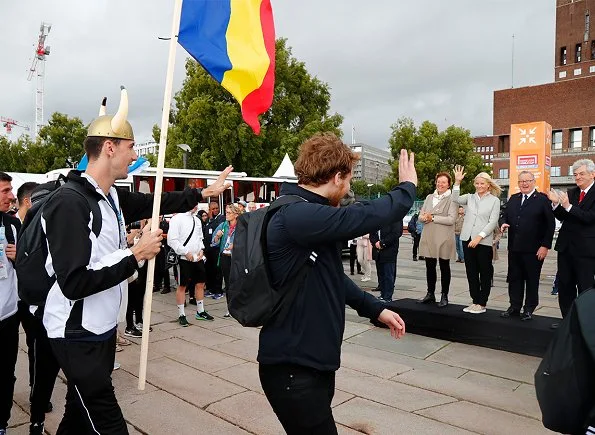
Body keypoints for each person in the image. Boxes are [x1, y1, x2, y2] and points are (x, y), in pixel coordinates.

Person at [39, 88, 232, 434]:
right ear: (110, 147)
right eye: (130, 147)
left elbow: (156, 202)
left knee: (78, 416)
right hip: (74, 332)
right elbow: (73, 282)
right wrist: (135, 254)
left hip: (99, 328)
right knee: (108, 422)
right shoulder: (69, 202)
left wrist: (202, 193)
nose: (133, 155)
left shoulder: (111, 194)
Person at [258, 133, 416, 434]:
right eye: (349, 181)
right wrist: (405, 190)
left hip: (308, 365)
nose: (347, 189)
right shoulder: (296, 214)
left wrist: (375, 308)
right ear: (337, 176)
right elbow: (361, 216)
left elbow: (330, 276)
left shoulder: (307, 214)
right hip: (294, 369)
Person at [499, 171, 555, 321]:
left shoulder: (542, 200)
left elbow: (550, 225)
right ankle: (514, 306)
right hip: (514, 248)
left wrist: (545, 246)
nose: (524, 184)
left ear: (533, 182)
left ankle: (529, 308)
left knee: (531, 279)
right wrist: (502, 222)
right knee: (514, 278)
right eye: (521, 181)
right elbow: (504, 213)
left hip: (534, 250)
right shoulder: (513, 198)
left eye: (527, 181)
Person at [547, 158, 595, 320]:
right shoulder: (572, 192)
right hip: (566, 248)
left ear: (592, 174)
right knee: (565, 286)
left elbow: (589, 218)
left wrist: (567, 206)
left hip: (586, 250)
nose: (578, 177)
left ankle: (585, 324)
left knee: (585, 287)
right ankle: (567, 322)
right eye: (575, 174)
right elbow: (564, 217)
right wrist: (555, 206)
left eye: (582, 174)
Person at [452, 165, 501, 314]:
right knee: (471, 272)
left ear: (488, 185)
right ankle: (475, 301)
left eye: (482, 183)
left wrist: (479, 236)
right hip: (467, 238)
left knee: (484, 272)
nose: (479, 186)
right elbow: (455, 199)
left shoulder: (494, 200)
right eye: (477, 183)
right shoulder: (469, 197)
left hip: (483, 241)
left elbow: (492, 222)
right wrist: (457, 182)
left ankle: (482, 303)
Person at [417, 172, 457, 308]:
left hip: (444, 236)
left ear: (448, 184)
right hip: (429, 234)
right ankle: (430, 293)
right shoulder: (429, 197)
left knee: (444, 266)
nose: (440, 184)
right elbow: (421, 214)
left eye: (443, 182)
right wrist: (423, 217)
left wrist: (432, 218)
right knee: (429, 266)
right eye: (438, 181)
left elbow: (451, 219)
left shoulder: (452, 199)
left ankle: (444, 295)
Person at [0, 172, 20, 435]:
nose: (11, 196)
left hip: (8, 314)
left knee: (6, 374)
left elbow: (30, 265)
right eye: (5, 191)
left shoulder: (13, 225)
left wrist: (20, 259)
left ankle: (2, 423)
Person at [168, 205, 212, 326]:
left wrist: (202, 249)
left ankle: (200, 311)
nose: (195, 206)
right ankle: (181, 314)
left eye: (196, 203)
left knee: (200, 284)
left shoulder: (197, 220)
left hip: (197, 258)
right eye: (192, 203)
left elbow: (200, 238)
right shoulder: (177, 219)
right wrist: (185, 252)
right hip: (183, 258)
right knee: (182, 286)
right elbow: (172, 240)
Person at [211, 203, 241, 318]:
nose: (226, 215)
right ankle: (230, 308)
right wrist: (217, 236)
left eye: (229, 213)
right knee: (228, 283)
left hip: (236, 258)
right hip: (225, 257)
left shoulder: (241, 226)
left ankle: (239, 306)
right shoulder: (223, 225)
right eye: (226, 212)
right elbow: (214, 242)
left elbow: (246, 241)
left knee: (237, 282)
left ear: (236, 214)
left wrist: (235, 245)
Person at [370, 219, 403, 303]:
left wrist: (382, 243)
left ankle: (388, 296)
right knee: (381, 274)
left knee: (389, 274)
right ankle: (383, 294)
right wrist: (375, 242)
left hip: (389, 250)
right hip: (377, 250)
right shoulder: (378, 216)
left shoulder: (395, 216)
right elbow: (372, 232)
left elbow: (396, 233)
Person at [204, 201, 225, 298]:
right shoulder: (208, 219)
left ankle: (218, 290)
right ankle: (211, 289)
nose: (215, 210)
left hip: (217, 248)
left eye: (217, 208)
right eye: (213, 209)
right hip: (209, 249)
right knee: (210, 270)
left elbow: (217, 228)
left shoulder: (221, 218)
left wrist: (211, 218)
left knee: (217, 270)